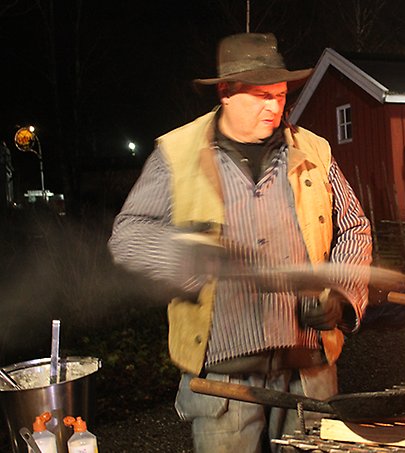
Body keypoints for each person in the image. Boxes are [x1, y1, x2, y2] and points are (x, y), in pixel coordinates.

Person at [108, 32, 372, 452]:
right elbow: (128, 235)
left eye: (281, 95)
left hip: (309, 377)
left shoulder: (314, 151)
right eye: (261, 96)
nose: (275, 107)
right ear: (226, 93)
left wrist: (341, 293)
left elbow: (354, 229)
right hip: (223, 385)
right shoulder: (176, 154)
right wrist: (186, 255)